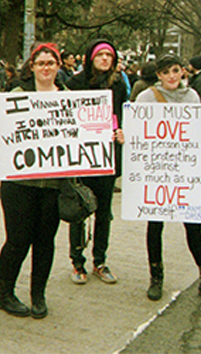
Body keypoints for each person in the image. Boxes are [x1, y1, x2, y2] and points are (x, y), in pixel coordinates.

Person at [135, 53, 201, 302]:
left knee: (192, 226)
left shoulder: (192, 96)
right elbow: (136, 132)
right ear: (158, 75)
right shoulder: (146, 97)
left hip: (183, 173)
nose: (172, 76)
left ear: (183, 72)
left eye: (176, 70)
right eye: (166, 71)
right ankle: (156, 277)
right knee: (155, 226)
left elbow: (197, 140)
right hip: (157, 172)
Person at [0, 43, 66, 319]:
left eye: (51, 62)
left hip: (53, 187)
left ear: (59, 66)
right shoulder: (17, 95)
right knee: (18, 240)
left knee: (46, 241)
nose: (46, 67)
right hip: (19, 185)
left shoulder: (69, 97)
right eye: (40, 63)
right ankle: (5, 294)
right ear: (31, 67)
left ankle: (38, 295)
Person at [65, 39, 126, 284]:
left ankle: (99, 260)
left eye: (108, 56)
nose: (104, 59)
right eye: (100, 55)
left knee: (104, 212)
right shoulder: (74, 83)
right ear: (91, 58)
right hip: (81, 157)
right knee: (78, 209)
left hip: (106, 157)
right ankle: (77, 262)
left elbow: (120, 115)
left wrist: (121, 132)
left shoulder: (119, 84)